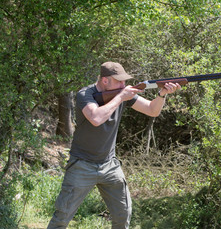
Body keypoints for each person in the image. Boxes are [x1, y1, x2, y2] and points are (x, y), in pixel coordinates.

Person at [47, 61, 181, 229]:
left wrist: (162, 94)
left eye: (124, 81)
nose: (123, 85)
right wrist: (120, 97)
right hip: (82, 165)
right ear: (105, 80)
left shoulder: (123, 94)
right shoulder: (85, 94)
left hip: (109, 165)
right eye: (119, 81)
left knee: (123, 214)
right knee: (62, 217)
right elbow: (96, 118)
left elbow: (152, 110)